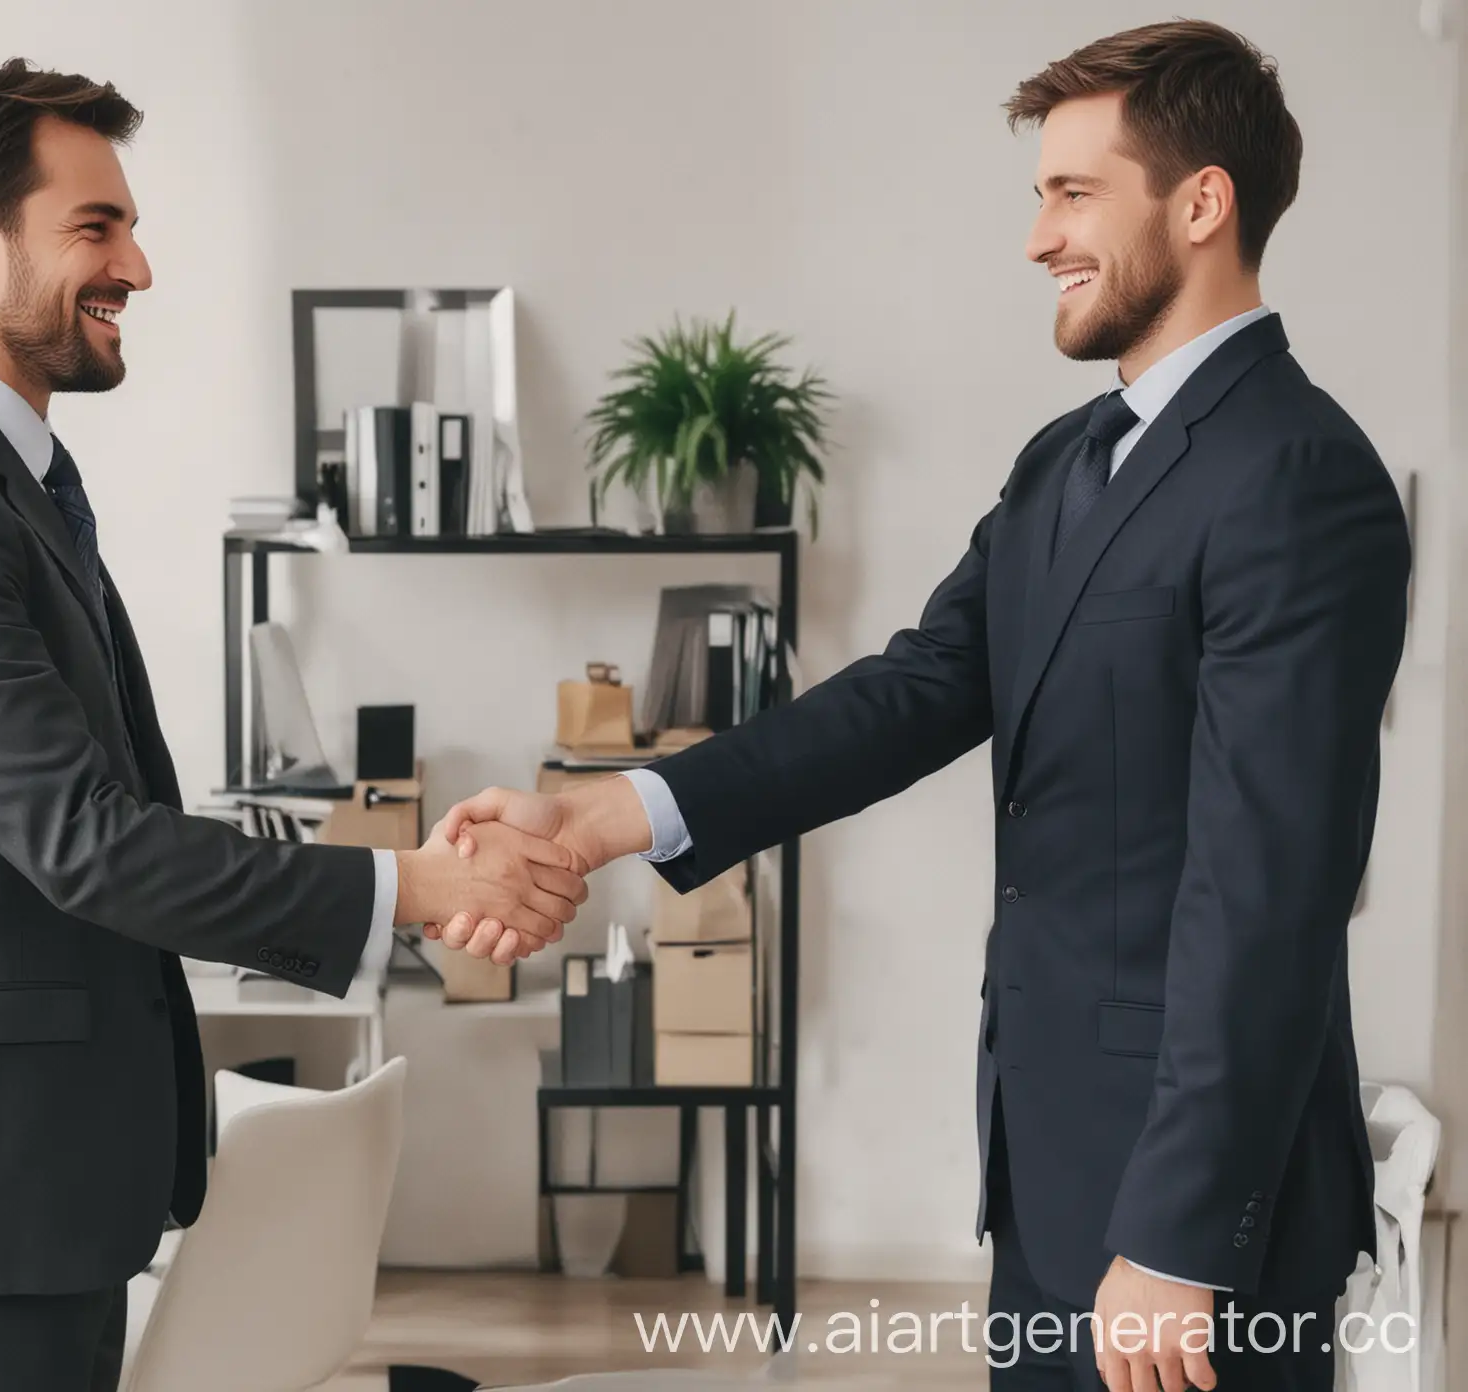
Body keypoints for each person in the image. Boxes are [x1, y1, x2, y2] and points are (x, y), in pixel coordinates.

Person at [436, 21, 1408, 1392]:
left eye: (1073, 194)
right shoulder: (1066, 463)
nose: (1036, 239)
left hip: (1195, 1222)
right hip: (1050, 1168)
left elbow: (1272, 891)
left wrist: (1183, 1242)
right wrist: (605, 814)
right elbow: (909, 695)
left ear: (1202, 203)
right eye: (1040, 198)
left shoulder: (1299, 476)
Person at [0, 59, 579, 1390]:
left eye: (128, 226)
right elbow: (87, 842)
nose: (137, 266)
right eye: (96, 226)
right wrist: (418, 884)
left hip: (26, 1193)